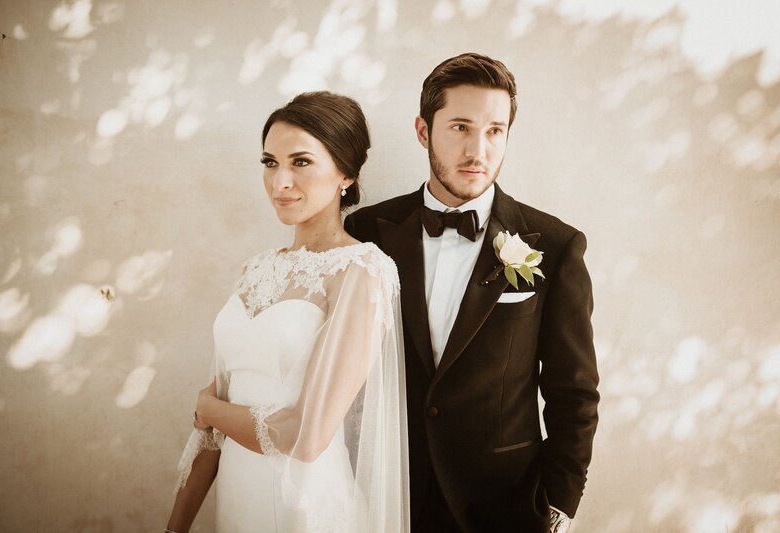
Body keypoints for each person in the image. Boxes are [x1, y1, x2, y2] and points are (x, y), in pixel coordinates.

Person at [345, 53, 600, 533]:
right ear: (424, 131)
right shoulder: (366, 232)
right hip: (388, 495)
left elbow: (574, 391)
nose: (477, 150)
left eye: (494, 130)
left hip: (506, 504)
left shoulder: (556, 246)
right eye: (460, 127)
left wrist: (560, 502)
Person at [166, 91, 409, 533]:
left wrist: (209, 409)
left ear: (346, 175)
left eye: (300, 162)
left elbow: (306, 435)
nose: (280, 182)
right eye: (269, 162)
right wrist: (173, 527)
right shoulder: (254, 269)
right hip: (237, 502)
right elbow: (209, 431)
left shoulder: (361, 270)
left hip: (304, 508)